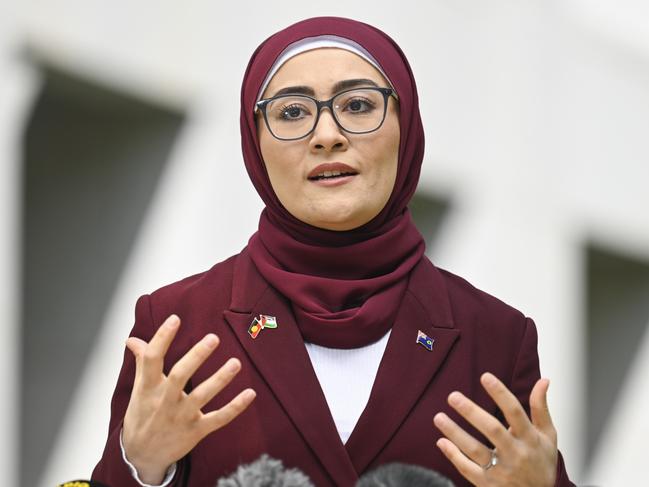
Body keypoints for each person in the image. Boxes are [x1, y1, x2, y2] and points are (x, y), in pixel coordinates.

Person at [92, 16, 575, 487]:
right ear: (254, 142)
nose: (327, 135)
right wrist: (142, 468)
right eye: (292, 112)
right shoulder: (179, 324)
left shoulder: (493, 336)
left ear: (406, 126)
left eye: (359, 105)